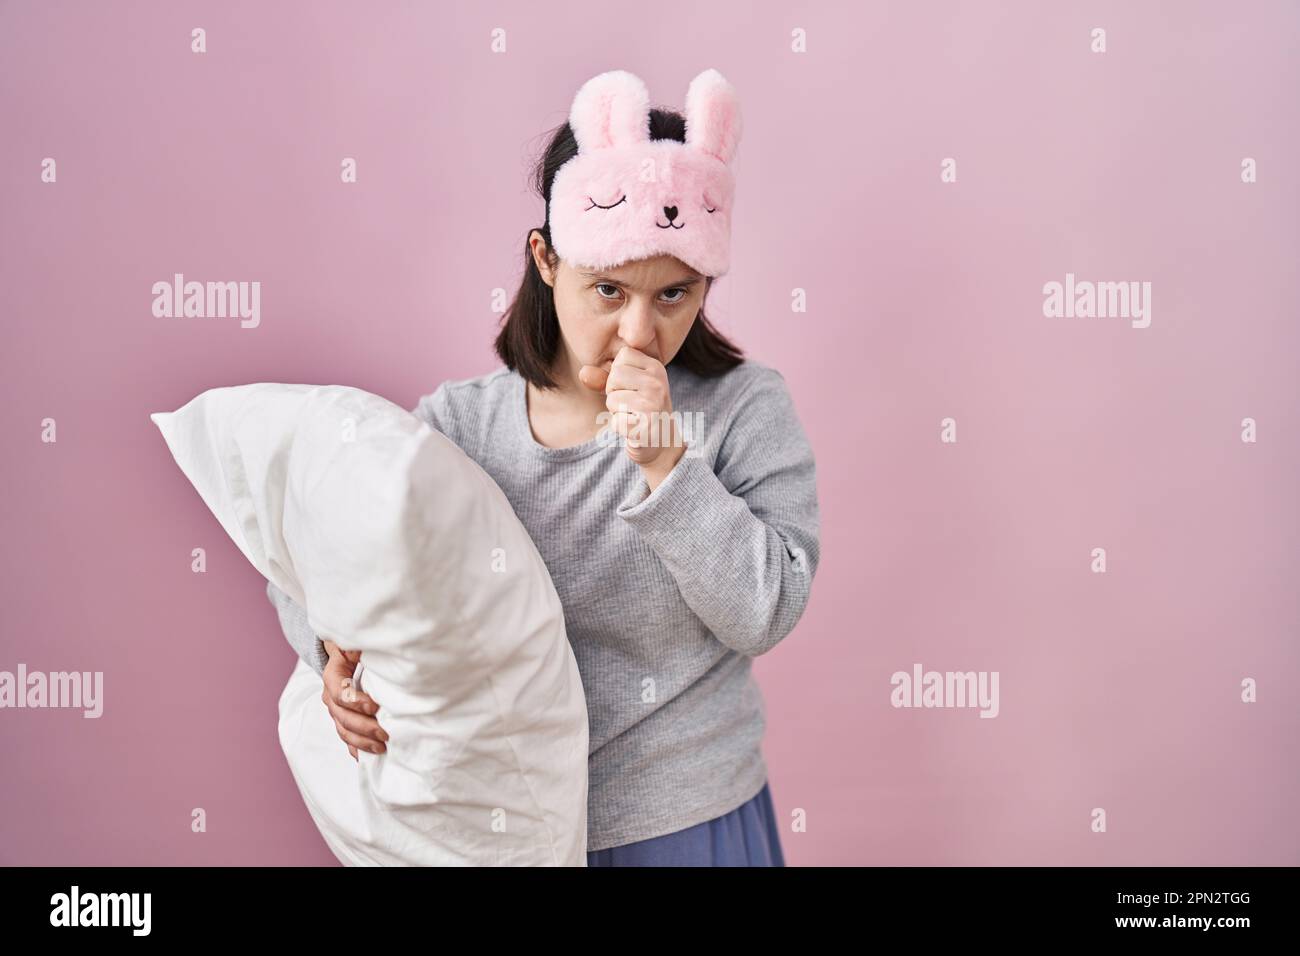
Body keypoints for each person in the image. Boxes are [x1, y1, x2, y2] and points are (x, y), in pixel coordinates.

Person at [267, 68, 819, 866]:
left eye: (674, 294)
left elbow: (766, 611)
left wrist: (668, 464)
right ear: (547, 260)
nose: (639, 330)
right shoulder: (462, 426)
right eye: (607, 289)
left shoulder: (744, 407)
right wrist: (334, 656)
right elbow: (312, 549)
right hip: (507, 827)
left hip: (686, 820)